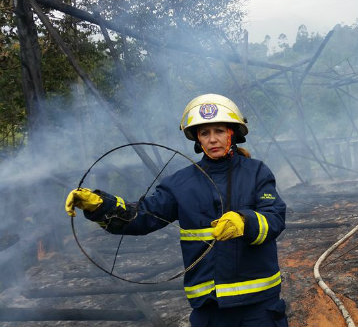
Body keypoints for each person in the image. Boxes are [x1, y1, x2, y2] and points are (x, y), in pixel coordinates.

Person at [65, 93, 288, 327]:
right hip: (209, 310)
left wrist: (245, 221)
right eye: (204, 133)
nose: (213, 139)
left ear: (232, 133)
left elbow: (274, 217)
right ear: (197, 139)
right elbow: (141, 217)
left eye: (219, 131)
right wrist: (101, 206)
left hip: (259, 306)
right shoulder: (180, 183)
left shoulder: (256, 172)